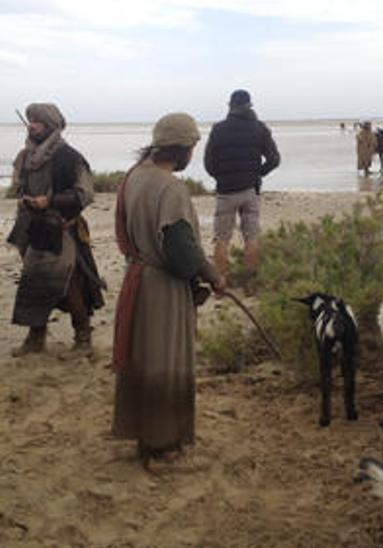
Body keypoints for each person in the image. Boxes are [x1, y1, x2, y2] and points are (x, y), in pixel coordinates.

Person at [112, 112, 225, 465]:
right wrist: (213, 275)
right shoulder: (171, 187)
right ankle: (162, 444)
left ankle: (145, 438)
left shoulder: (132, 178)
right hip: (162, 287)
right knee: (165, 361)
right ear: (182, 149)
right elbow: (180, 246)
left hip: (138, 279)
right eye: (192, 146)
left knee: (143, 360)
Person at [6, 103, 105, 357]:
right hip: (32, 230)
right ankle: (35, 339)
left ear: (50, 126)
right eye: (30, 120)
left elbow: (85, 194)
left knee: (70, 286)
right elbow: (18, 187)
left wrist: (50, 201)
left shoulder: (69, 157)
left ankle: (83, 339)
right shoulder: (25, 156)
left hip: (61, 230)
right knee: (33, 283)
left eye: (37, 121)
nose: (31, 125)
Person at [203, 89, 280, 280]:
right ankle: (250, 283)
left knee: (221, 238)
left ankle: (220, 283)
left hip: (226, 191)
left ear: (230, 106)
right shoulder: (259, 128)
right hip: (250, 189)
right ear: (249, 106)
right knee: (251, 237)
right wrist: (258, 173)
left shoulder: (218, 129)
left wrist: (221, 177)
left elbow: (209, 164)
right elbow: (274, 159)